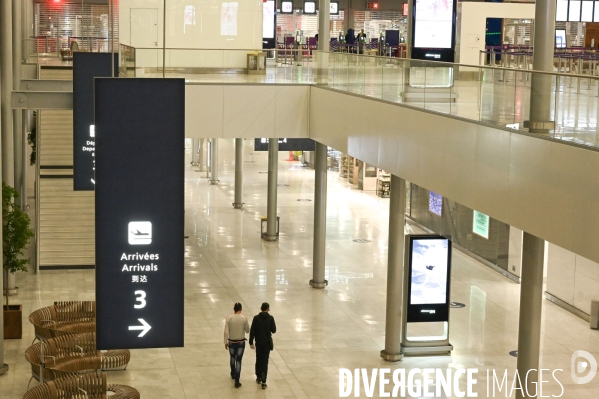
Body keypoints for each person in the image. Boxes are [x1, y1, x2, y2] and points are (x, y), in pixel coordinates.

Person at [249, 302, 276, 389]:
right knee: (265, 361)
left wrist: (250, 342)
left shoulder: (256, 318)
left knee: (258, 359)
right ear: (268, 309)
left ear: (261, 308)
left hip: (259, 343)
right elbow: (274, 330)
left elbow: (252, 330)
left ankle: (258, 377)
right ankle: (264, 381)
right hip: (267, 344)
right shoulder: (271, 318)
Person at [224, 302, 249, 388]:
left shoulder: (229, 318)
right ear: (241, 309)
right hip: (241, 342)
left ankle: (233, 372)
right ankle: (237, 381)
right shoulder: (244, 318)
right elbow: (247, 330)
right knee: (238, 360)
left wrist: (225, 342)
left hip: (231, 342)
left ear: (234, 309)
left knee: (232, 357)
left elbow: (226, 331)